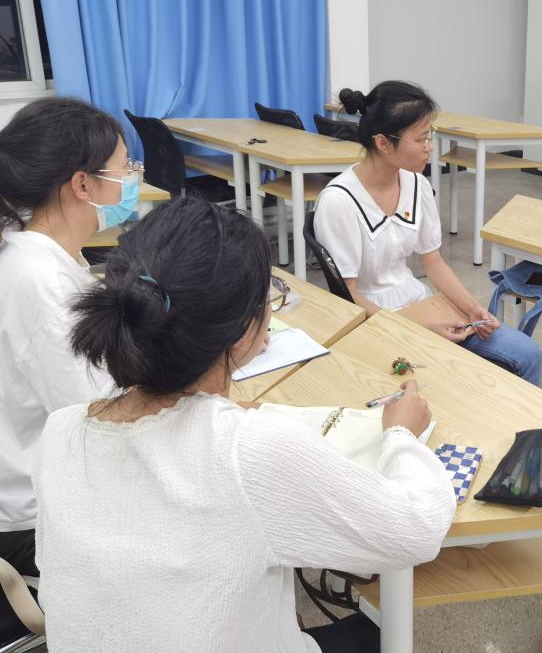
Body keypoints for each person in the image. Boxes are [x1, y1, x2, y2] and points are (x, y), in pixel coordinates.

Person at [33, 196, 456, 652]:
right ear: (242, 332)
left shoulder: (60, 431)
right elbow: (415, 529)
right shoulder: (248, 451)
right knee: (376, 632)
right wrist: (401, 436)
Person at [314, 80, 542, 385]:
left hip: (419, 303)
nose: (430, 147)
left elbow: (433, 262)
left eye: (430, 135)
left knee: (527, 354)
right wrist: (416, 328)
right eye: (421, 138)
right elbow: (349, 295)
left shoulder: (417, 185)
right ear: (383, 143)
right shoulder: (338, 201)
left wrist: (473, 309)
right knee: (455, 379)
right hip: (375, 320)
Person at [0, 97, 130, 579]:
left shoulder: (44, 253)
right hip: (33, 516)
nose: (131, 179)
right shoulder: (40, 279)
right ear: (82, 184)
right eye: (124, 167)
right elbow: (103, 421)